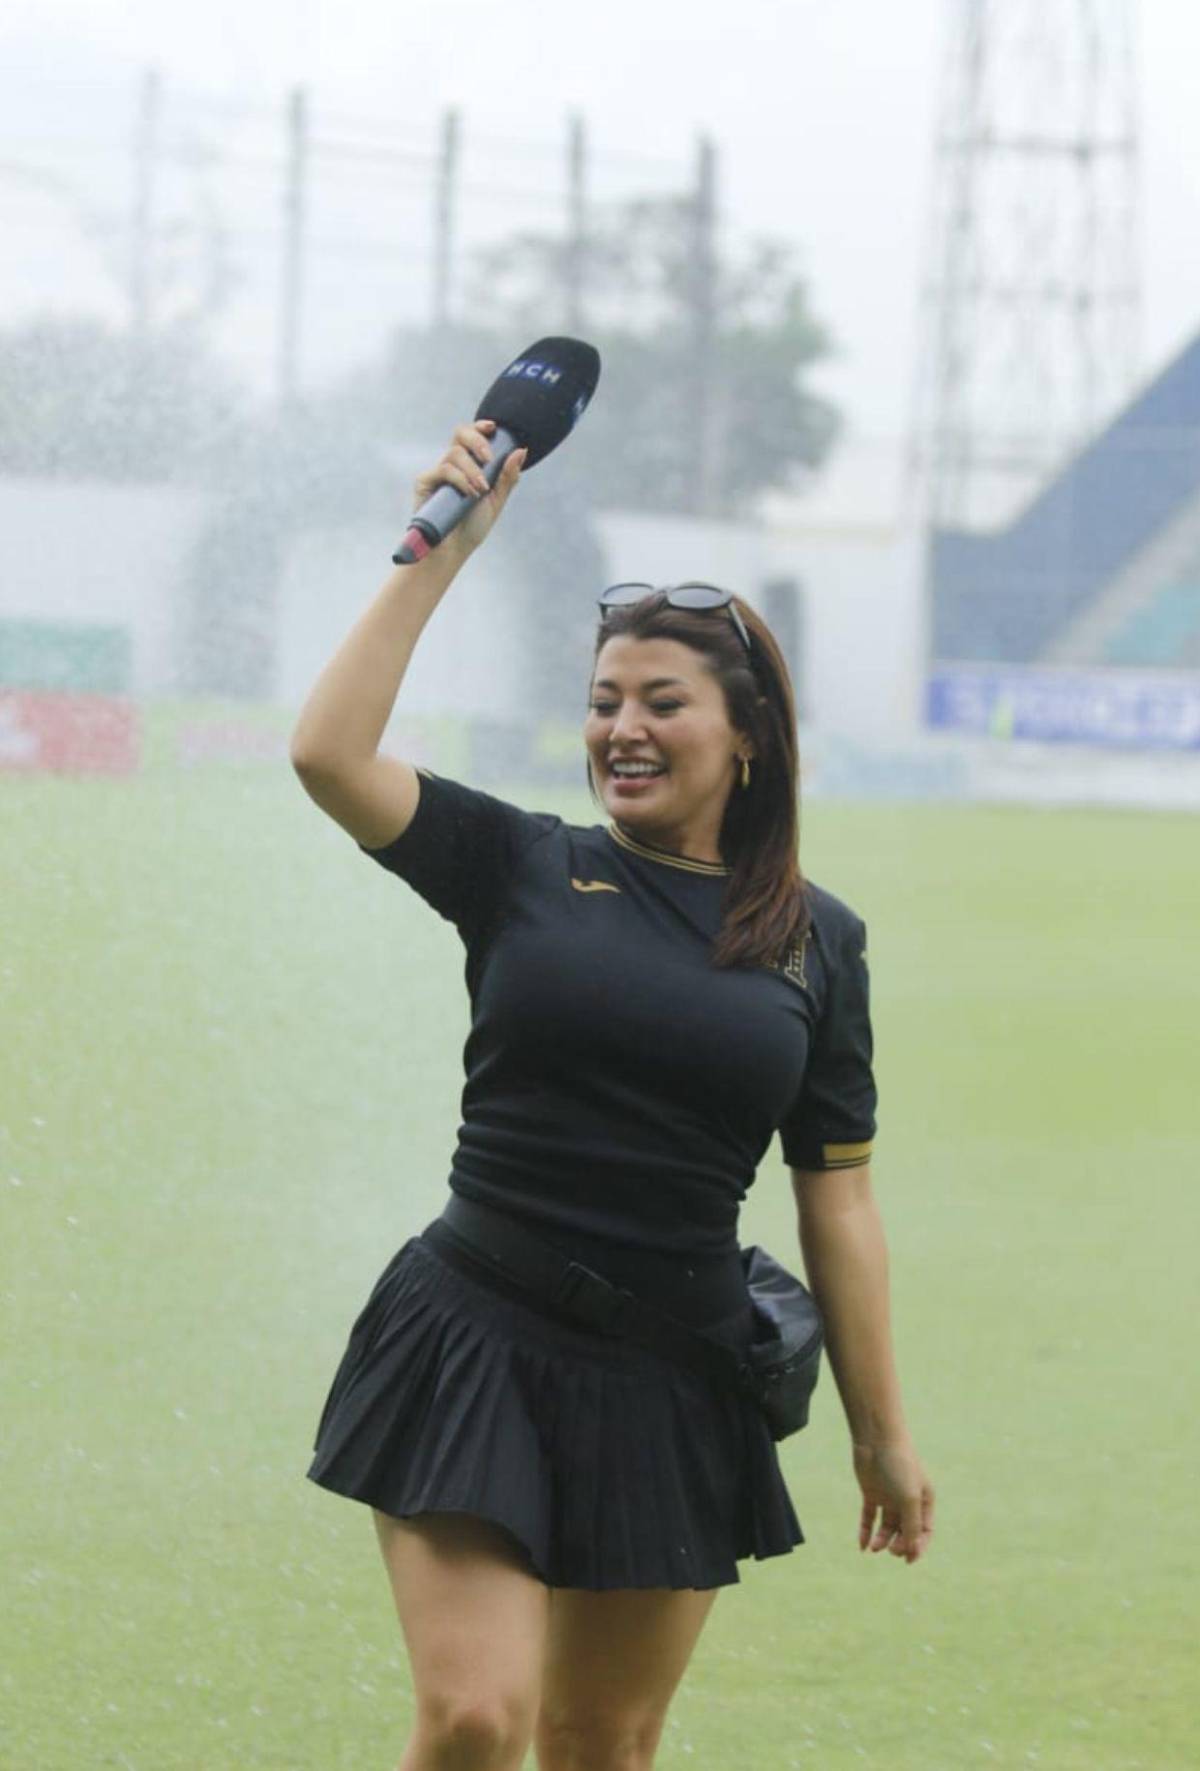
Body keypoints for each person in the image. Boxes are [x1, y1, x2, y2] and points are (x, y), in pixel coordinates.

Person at [290, 419, 935, 1771]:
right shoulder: (521, 863)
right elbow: (329, 757)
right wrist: (441, 548)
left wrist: (883, 1434)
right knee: (476, 1718)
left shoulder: (822, 941)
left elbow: (843, 1204)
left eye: (659, 701)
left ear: (748, 735)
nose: (621, 729)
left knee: (601, 1747)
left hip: (678, 1375)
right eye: (603, 701)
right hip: (476, 1334)